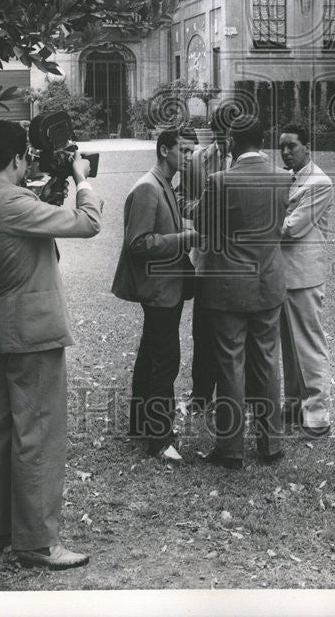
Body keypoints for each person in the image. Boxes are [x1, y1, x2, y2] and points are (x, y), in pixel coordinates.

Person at [0, 119, 102, 569]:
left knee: (4, 430)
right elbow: (88, 224)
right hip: (33, 330)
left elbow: (26, 224)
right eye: (25, 155)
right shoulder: (11, 200)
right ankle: (39, 542)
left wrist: (49, 187)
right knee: (39, 434)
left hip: (5, 326)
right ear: (15, 158)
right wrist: (82, 180)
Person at [193, 116, 290, 469]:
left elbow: (203, 225)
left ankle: (231, 448)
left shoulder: (219, 181)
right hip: (268, 283)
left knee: (230, 364)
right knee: (266, 362)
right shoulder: (283, 177)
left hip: (229, 287)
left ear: (233, 141)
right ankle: (271, 444)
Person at [111, 128, 198, 460]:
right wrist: (182, 240)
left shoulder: (162, 183)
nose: (190, 158)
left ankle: (140, 422)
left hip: (167, 286)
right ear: (164, 150)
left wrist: (181, 231)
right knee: (165, 361)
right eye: (185, 151)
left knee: (150, 354)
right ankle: (160, 439)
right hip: (159, 289)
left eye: (192, 152)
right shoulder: (149, 187)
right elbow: (138, 243)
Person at [176, 106, 235, 413]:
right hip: (207, 257)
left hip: (240, 262)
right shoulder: (197, 160)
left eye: (230, 134)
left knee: (237, 331)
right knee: (204, 329)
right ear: (213, 132)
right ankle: (201, 394)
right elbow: (180, 198)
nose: (226, 140)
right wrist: (205, 207)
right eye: (220, 134)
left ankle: (234, 394)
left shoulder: (250, 160)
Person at [278, 124, 334, 437]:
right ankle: (294, 402)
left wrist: (258, 222)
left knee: (310, 344)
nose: (286, 152)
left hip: (305, 275)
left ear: (307, 147)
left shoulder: (320, 182)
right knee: (288, 345)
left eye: (292, 146)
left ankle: (318, 412)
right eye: (282, 147)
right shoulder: (285, 177)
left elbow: (290, 228)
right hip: (283, 274)